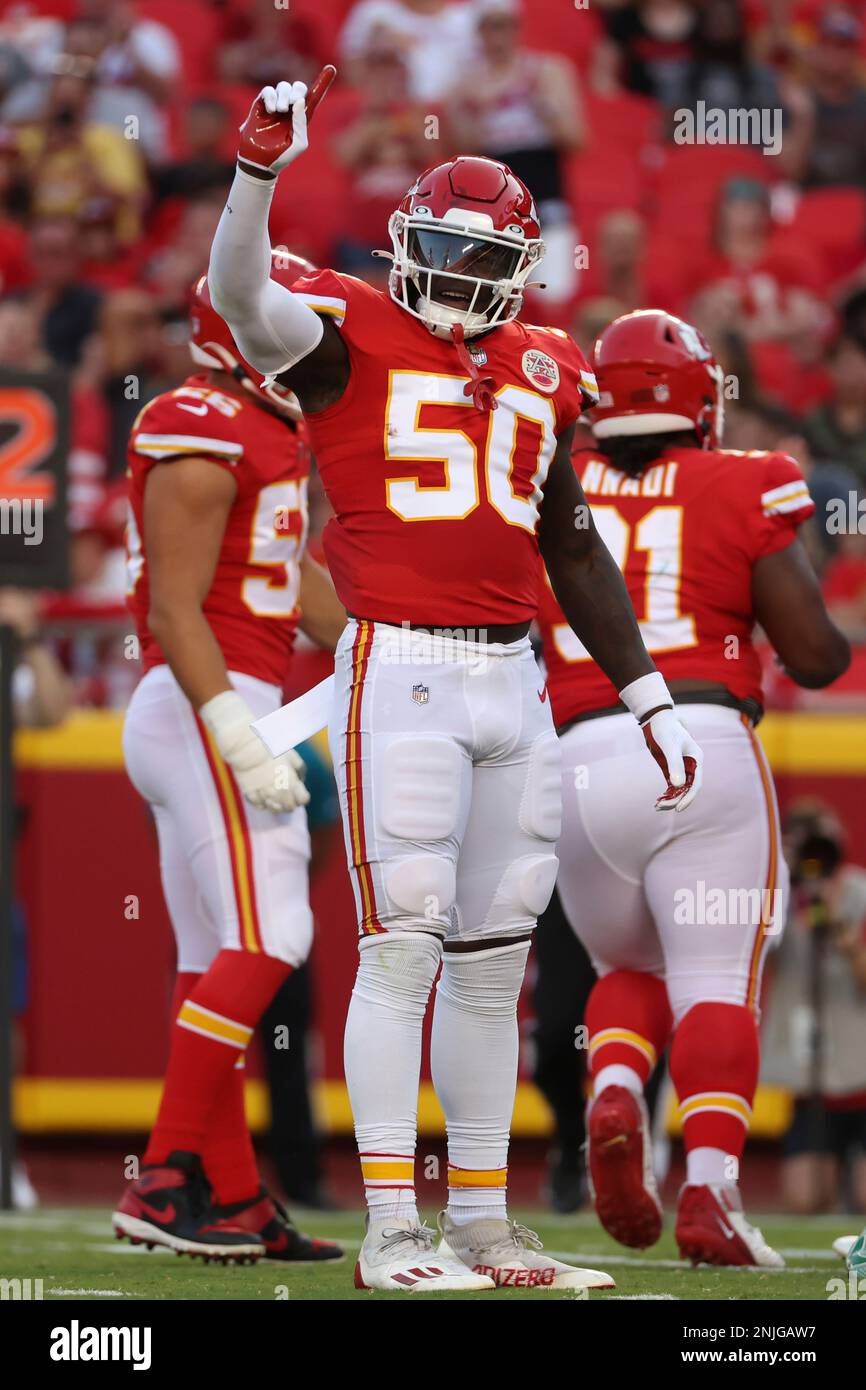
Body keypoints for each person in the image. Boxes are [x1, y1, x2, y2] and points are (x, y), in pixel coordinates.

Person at [208, 76, 703, 1292]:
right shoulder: (344, 332)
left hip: (517, 680)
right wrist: (258, 171)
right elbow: (239, 294)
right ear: (398, 247)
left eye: (479, 256)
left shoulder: (546, 361)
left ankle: (481, 1222)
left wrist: (645, 695)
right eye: (434, 249)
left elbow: (572, 540)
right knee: (404, 946)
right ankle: (392, 1230)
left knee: (492, 960)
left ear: (525, 267)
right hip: (403, 668)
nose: (455, 275)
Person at [535, 308, 850, 1267]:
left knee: (622, 972)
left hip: (577, 756)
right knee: (716, 980)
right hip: (699, 739)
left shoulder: (552, 481)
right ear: (697, 399)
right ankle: (709, 1190)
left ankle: (617, 1087)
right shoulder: (745, 481)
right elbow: (815, 653)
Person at [112, 259, 345, 1265]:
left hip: (223, 700)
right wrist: (239, 732)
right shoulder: (198, 418)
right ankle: (165, 1175)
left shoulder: (273, 429)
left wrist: (418, 635)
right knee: (276, 930)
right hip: (206, 701)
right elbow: (174, 609)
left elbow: (303, 593)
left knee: (210, 955)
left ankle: (239, 1197)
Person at [762, 803, 866, 1215]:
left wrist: (841, 930)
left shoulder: (860, 892)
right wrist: (777, 879)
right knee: (804, 1199)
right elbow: (759, 957)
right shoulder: (778, 901)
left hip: (860, 1070)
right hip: (811, 1080)